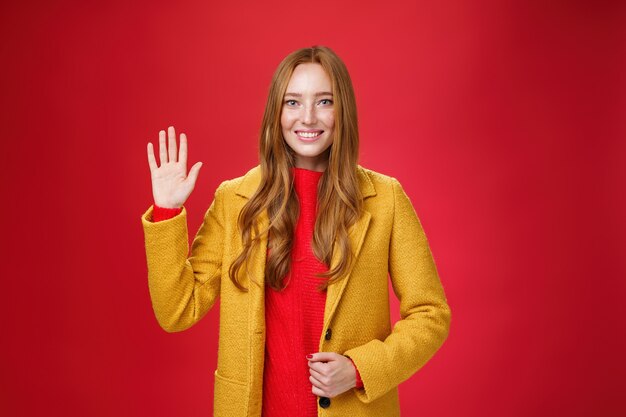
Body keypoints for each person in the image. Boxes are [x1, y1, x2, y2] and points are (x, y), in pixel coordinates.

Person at [141, 45, 451, 417]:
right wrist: (167, 209)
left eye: (324, 102)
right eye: (292, 102)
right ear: (276, 112)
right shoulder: (234, 200)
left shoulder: (385, 199)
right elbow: (177, 309)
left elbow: (431, 313)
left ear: (343, 112)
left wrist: (358, 370)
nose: (307, 117)